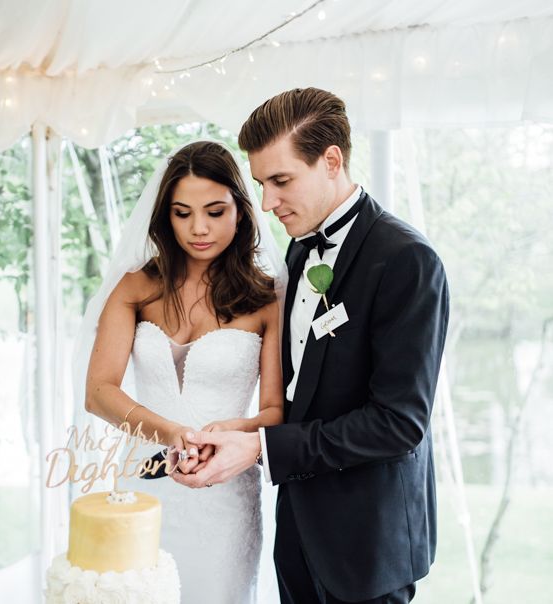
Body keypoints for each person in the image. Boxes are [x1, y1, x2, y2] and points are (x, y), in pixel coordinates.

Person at [172, 88, 450, 604]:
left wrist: (262, 448)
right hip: (298, 530)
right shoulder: (299, 250)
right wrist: (243, 431)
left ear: (331, 161)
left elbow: (398, 423)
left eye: (281, 181)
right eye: (260, 184)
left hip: (369, 544)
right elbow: (309, 392)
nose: (267, 202)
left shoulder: (408, 259)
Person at [76, 140, 286, 604]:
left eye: (215, 211)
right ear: (164, 216)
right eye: (182, 212)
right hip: (142, 486)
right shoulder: (135, 287)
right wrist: (173, 433)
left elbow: (274, 411)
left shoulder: (269, 298)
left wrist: (219, 437)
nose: (198, 229)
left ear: (242, 211)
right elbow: (98, 391)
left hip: (224, 493)